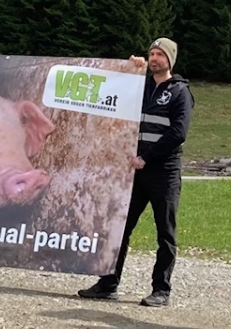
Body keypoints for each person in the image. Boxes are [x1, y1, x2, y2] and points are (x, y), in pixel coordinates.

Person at [78, 38, 194, 307]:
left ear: (170, 60)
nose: (154, 58)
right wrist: (128, 68)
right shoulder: (139, 86)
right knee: (120, 227)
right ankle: (108, 283)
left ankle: (161, 290)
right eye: (151, 54)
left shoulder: (180, 92)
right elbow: (111, 91)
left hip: (164, 172)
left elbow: (178, 133)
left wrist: (147, 157)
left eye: (160, 54)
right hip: (135, 172)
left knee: (165, 233)